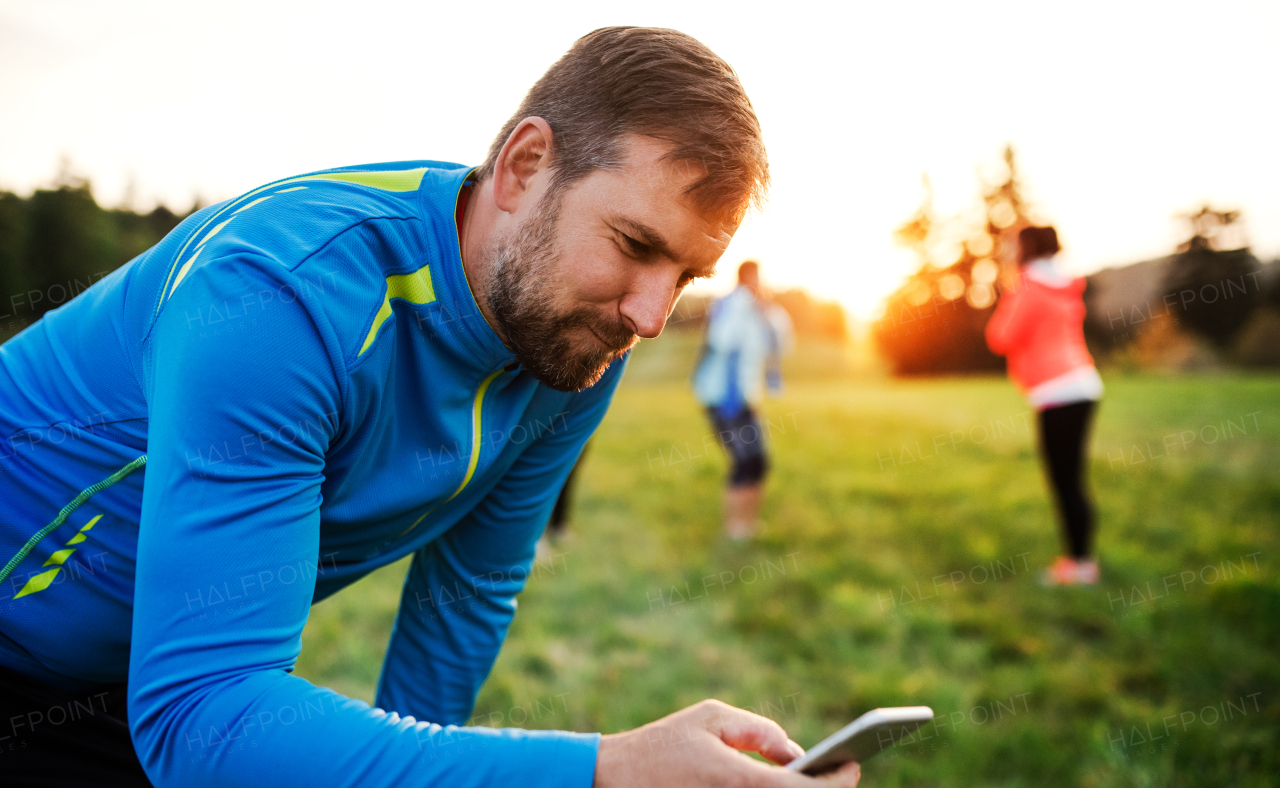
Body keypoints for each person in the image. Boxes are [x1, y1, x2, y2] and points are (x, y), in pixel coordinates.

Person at [0, 27, 859, 788]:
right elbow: (205, 722)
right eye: (635, 246)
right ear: (525, 166)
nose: (650, 315)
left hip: (137, 676)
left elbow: (468, 594)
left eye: (684, 275)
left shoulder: (576, 345)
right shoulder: (280, 296)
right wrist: (608, 771)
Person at [985, 225, 1104, 586]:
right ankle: (1081, 559)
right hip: (1084, 385)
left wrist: (1010, 289)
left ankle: (1079, 564)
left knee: (1064, 481)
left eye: (1016, 245)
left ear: (1028, 248)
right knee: (1073, 479)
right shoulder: (1066, 287)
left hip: (1057, 391)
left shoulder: (1029, 287)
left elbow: (999, 337)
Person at [693, 261, 793, 540]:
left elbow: (784, 344)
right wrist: (744, 307)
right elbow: (720, 341)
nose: (761, 287)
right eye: (757, 280)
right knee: (743, 460)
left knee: (759, 461)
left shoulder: (766, 314)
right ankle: (734, 528)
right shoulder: (728, 306)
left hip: (747, 398)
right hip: (720, 398)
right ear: (745, 280)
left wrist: (765, 312)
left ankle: (750, 523)